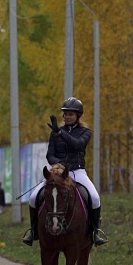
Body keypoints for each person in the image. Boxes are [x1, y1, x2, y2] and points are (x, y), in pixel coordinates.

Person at [22, 97, 108, 247]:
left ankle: (95, 232)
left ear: (78, 116)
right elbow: (50, 154)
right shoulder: (56, 132)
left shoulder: (85, 132)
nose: (67, 117)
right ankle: (34, 232)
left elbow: (77, 145)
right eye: (66, 114)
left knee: (94, 198)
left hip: (77, 171)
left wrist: (59, 133)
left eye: (71, 114)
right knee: (34, 197)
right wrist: (58, 165)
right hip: (58, 172)